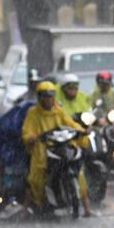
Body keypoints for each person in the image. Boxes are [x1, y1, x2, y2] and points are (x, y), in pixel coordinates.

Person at [22, 81, 95, 217]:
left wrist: (82, 131)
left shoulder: (59, 112)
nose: (48, 100)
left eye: (51, 96)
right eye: (45, 96)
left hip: (61, 146)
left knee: (79, 174)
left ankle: (87, 208)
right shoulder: (33, 113)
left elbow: (70, 124)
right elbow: (27, 132)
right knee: (36, 177)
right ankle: (37, 203)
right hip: (43, 148)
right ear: (40, 97)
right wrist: (33, 137)